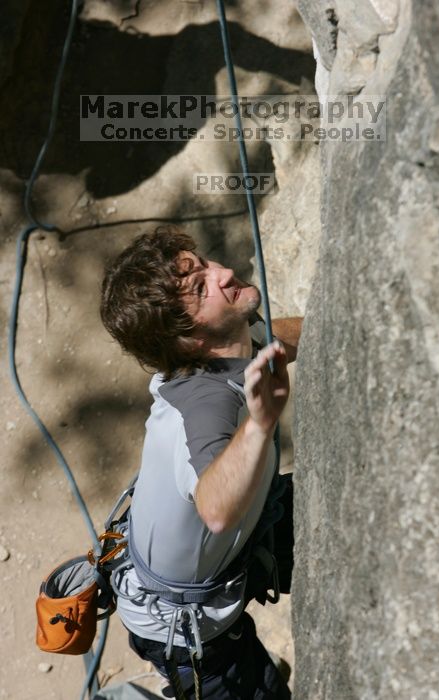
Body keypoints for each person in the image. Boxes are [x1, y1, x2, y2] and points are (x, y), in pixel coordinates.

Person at [100, 225, 301, 699]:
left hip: (208, 569)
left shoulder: (226, 346)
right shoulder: (204, 407)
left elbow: (273, 339)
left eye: (204, 264)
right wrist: (259, 422)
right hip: (189, 632)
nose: (224, 272)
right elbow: (214, 507)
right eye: (200, 287)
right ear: (189, 341)